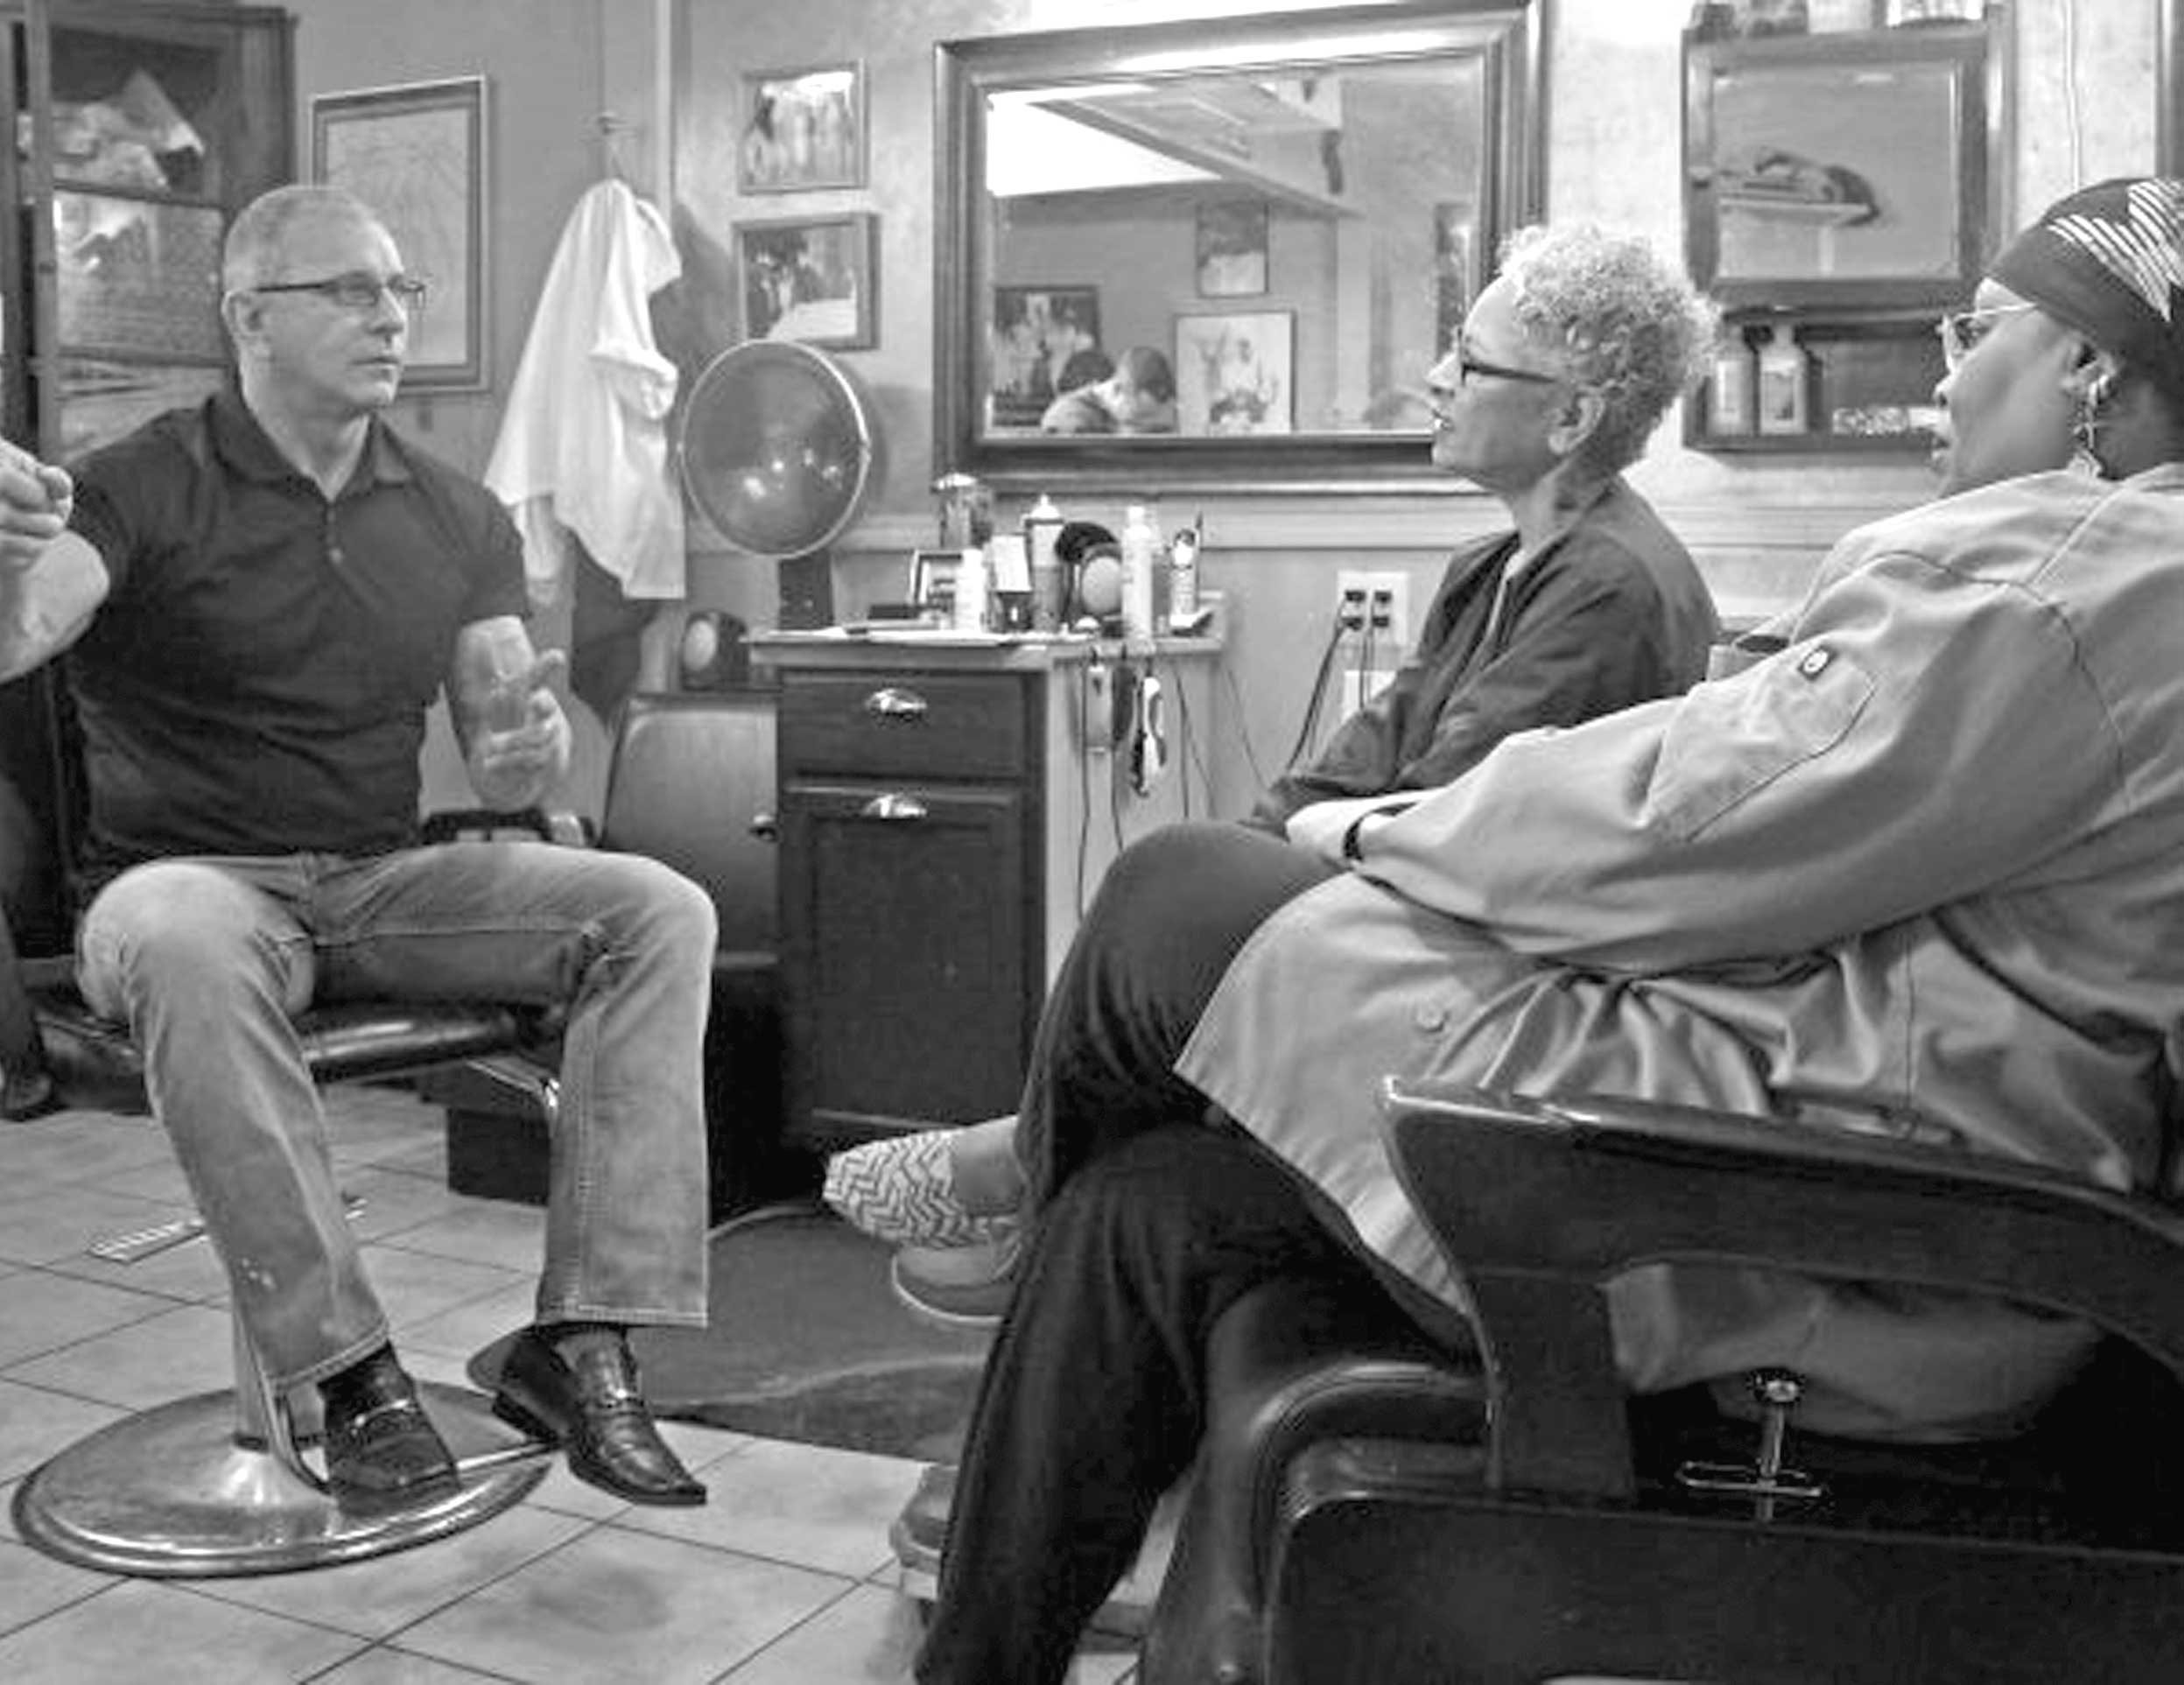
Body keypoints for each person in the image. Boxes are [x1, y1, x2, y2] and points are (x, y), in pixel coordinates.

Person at [915, 174, 2184, 1683]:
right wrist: (1337, 827)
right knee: (1141, 1204)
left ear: (2086, 363)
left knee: (1169, 898)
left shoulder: (2077, 583)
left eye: (1972, 332)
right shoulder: (2070, 574)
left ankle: (1017, 1168)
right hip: (1805, 1124)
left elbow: (1680, 824)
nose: (1943, 374)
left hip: (1841, 1214)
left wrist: (1360, 836)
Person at [0, 184, 716, 1508]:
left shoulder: (456, 513)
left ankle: (585, 1341)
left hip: (375, 881)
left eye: (399, 289)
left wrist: (525, 747)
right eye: (349, 290)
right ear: (249, 316)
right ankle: (346, 1372)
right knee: (184, 935)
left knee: (658, 908)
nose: (389, 317)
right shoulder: (140, 483)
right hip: (183, 887)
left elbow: (503, 749)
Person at [830, 222, 1723, 1313]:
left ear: (1569, 417)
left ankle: (1022, 1171)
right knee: (1179, 888)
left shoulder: (1610, 587)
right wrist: (1246, 858)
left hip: (1485, 969)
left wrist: (1238, 896)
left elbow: (1452, 816)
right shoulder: (1493, 563)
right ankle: (1042, 1194)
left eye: (1470, 362)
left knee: (1162, 891)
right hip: (1407, 908)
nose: (1435, 377)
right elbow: (1367, 754)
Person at [1040, 344, 1180, 436]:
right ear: (1118, 390)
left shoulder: (1110, 418)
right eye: (1137, 417)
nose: (1141, 427)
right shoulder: (1067, 416)